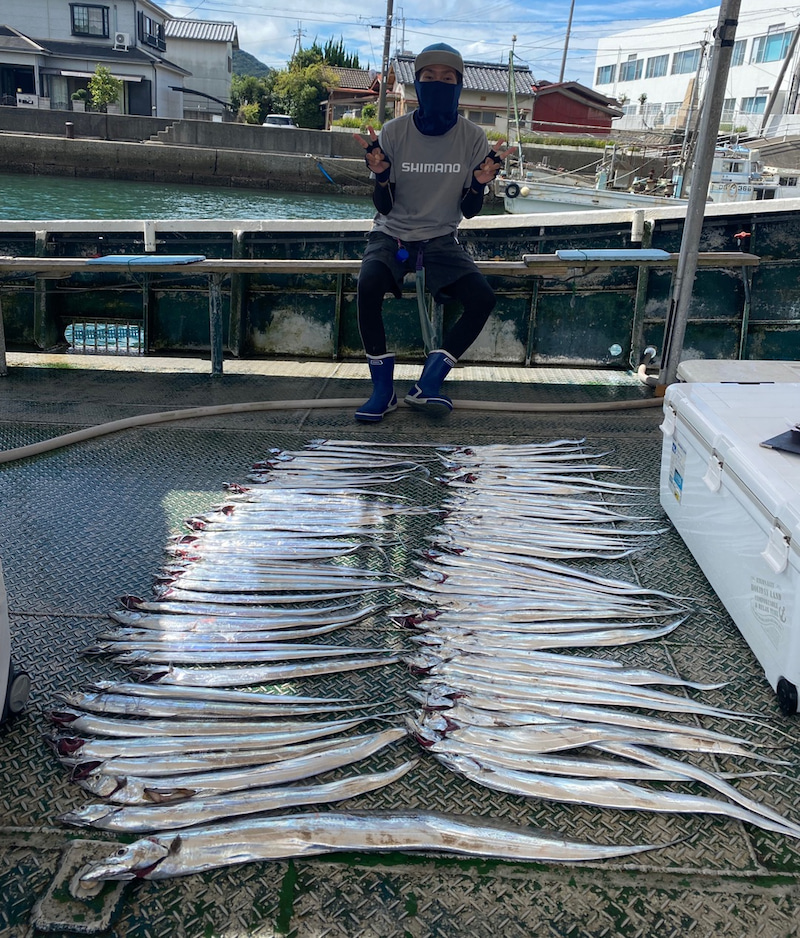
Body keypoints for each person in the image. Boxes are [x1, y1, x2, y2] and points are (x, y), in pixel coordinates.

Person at [353, 42, 514, 422]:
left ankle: (430, 381)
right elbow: (384, 207)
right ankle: (382, 390)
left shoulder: (472, 137)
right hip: (391, 234)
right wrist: (380, 176)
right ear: (417, 83)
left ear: (459, 85)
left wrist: (479, 183)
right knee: (368, 285)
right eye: (429, 77)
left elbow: (470, 211)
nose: (438, 83)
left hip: (441, 238)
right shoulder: (393, 133)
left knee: (482, 298)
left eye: (447, 78)